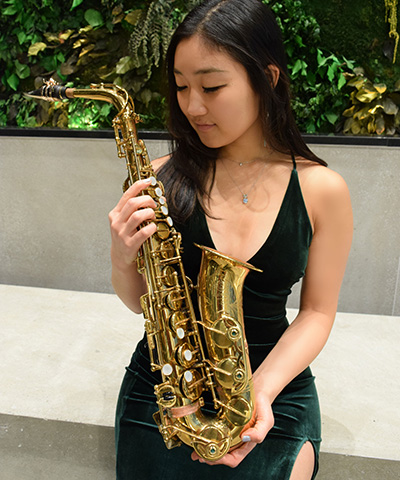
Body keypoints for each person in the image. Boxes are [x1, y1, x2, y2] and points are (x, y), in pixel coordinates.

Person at [109, 0, 353, 479]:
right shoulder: (159, 179)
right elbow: (143, 304)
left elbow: (317, 312)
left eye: (212, 86)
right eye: (181, 87)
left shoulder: (323, 189)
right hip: (166, 396)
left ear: (268, 77)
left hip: (272, 386)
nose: (193, 105)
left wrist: (258, 392)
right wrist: (121, 258)